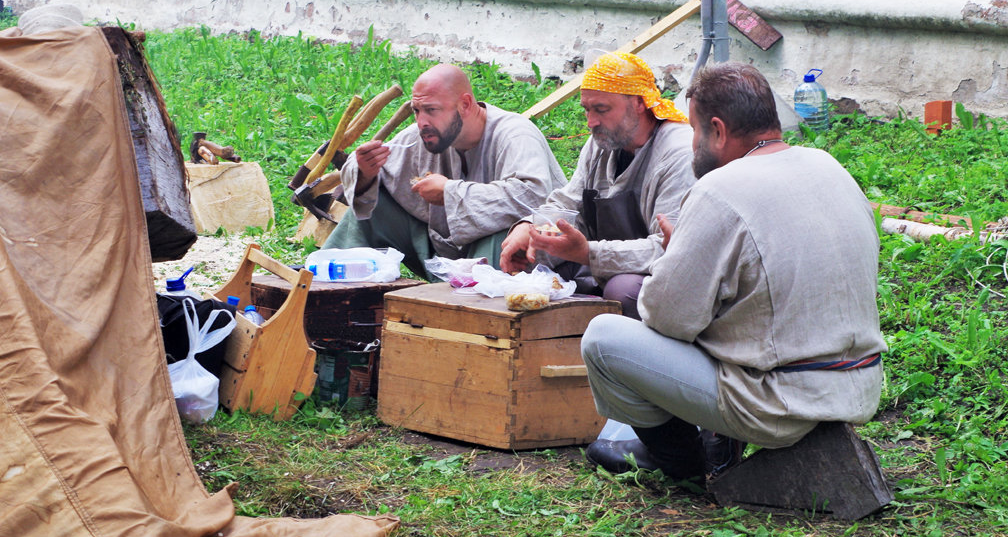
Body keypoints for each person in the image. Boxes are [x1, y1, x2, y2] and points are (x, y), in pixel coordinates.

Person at [581, 62, 886, 482]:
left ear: (718, 130)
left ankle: (686, 466)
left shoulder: (719, 188)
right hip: (860, 386)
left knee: (602, 338)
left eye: (693, 130)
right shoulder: (829, 166)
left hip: (779, 402)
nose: (691, 145)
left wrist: (675, 256)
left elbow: (664, 316)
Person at [498, 51, 695, 317]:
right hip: (601, 261)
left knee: (622, 289)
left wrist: (588, 253)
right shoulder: (601, 142)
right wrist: (532, 229)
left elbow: (667, 247)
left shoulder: (679, 152)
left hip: (660, 277)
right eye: (587, 110)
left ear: (638, 102)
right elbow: (569, 202)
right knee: (535, 266)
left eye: (602, 110)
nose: (591, 122)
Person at [326, 64, 566, 280]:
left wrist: (450, 192)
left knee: (508, 233)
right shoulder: (425, 135)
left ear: (465, 104)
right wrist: (366, 172)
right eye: (417, 110)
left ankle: (477, 319)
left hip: (508, 261)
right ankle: (319, 292)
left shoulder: (515, 135)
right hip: (442, 251)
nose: (422, 121)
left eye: (431, 110)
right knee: (372, 212)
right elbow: (370, 171)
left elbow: (534, 196)